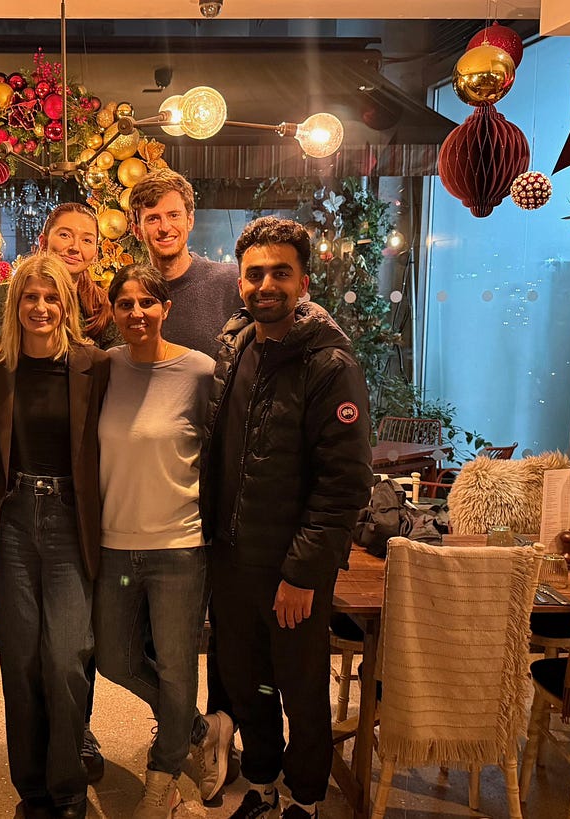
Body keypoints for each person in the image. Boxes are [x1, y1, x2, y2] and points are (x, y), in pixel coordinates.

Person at [200, 217, 373, 819]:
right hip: (232, 560)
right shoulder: (234, 348)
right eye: (255, 274)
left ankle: (305, 799)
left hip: (290, 569)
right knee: (248, 684)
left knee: (300, 692)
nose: (265, 285)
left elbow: (343, 484)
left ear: (304, 282)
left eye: (281, 273)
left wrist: (302, 573)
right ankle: (264, 786)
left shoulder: (329, 364)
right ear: (240, 283)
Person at [92, 262, 230, 817]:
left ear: (165, 308)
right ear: (113, 311)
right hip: (114, 544)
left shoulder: (199, 371)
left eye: (147, 302)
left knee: (176, 667)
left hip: (179, 545)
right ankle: (200, 728)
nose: (136, 313)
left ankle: (164, 776)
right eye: (125, 303)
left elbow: (221, 453)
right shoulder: (103, 367)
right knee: (113, 658)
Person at [0, 253, 109, 819]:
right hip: (11, 521)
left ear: (67, 304)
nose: (41, 307)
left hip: (70, 521)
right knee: (21, 661)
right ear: (15, 303)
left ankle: (68, 788)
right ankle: (32, 789)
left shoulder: (93, 364)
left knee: (65, 658)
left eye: (52, 297)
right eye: (30, 297)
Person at [0, 203, 123, 352]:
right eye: (65, 235)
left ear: (96, 253)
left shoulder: (104, 308)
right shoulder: (1, 299)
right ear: (43, 242)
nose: (75, 248)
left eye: (87, 240)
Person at [128, 169, 241, 356]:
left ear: (190, 220)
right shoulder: (130, 295)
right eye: (153, 219)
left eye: (174, 215)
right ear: (137, 230)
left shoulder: (231, 282)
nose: (165, 227)